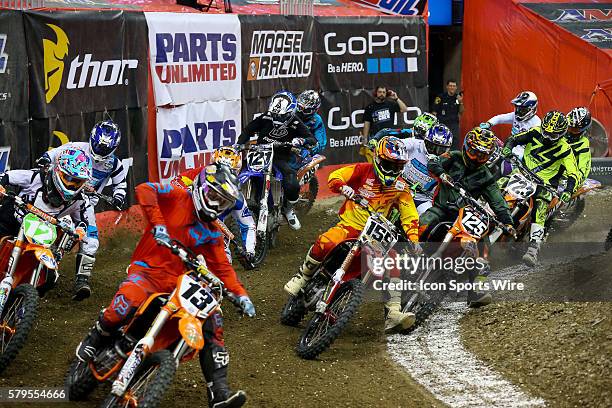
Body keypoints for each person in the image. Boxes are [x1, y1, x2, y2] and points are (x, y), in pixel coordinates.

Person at [74, 164, 249, 408]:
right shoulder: (178, 196)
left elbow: (223, 268)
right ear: (201, 188)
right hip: (148, 270)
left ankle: (218, 393)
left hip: (180, 284)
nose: (216, 206)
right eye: (213, 197)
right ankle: (97, 335)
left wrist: (241, 295)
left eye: (223, 203)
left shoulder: (213, 234)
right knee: (128, 301)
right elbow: (144, 189)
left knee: (212, 320)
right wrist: (158, 224)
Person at [284, 136, 421, 332]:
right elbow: (335, 177)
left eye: (397, 167)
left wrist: (414, 240)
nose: (392, 171)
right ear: (379, 160)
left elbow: (410, 216)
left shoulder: (401, 188)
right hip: (350, 226)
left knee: (393, 261)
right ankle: (303, 276)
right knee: (327, 241)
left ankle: (393, 312)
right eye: (389, 165)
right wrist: (344, 187)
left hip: (375, 236)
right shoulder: (363, 170)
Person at [420, 127, 515, 307]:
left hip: (465, 216)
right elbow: (434, 163)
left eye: (482, 156)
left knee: (482, 244)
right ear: (466, 146)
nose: (475, 158)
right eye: (473, 152)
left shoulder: (486, 175)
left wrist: (508, 222)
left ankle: (476, 290)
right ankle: (410, 257)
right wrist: (442, 174)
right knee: (423, 223)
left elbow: (498, 201)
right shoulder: (454, 157)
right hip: (442, 209)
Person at [37, 120, 127, 300]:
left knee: (91, 241)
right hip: (61, 198)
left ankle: (81, 281)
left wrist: (118, 197)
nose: (100, 153)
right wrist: (46, 159)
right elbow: (53, 154)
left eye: (105, 150)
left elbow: (121, 183)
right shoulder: (75, 148)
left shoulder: (114, 164)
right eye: (98, 147)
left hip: (84, 205)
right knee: (39, 224)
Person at [0, 149, 94, 297]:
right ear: (58, 170)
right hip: (10, 220)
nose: (71, 184)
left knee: (49, 278)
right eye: (68, 177)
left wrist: (80, 232)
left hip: (38, 233)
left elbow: (82, 221)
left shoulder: (79, 200)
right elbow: (6, 176)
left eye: (77, 181)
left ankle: (20, 303)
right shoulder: (37, 177)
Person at [502, 110, 580, 266]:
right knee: (498, 185)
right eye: (545, 132)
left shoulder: (565, 149)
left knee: (541, 205)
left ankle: (533, 248)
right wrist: (508, 147)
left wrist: (568, 190)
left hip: (543, 184)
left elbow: (574, 173)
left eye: (552, 136)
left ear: (561, 134)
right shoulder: (536, 131)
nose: (546, 137)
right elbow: (514, 138)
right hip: (522, 173)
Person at [236, 91, 316, 231]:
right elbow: (248, 130)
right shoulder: (266, 117)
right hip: (260, 152)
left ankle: (288, 209)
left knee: (291, 181)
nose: (277, 117)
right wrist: (239, 144)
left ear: (290, 112)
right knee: (238, 172)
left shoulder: (295, 122)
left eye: (281, 115)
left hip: (280, 155)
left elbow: (311, 139)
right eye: (275, 114)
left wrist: (301, 140)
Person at [173, 147, 257, 270]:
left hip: (214, 232)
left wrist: (250, 251)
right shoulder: (200, 173)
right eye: (218, 169)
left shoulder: (236, 197)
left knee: (223, 266)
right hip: (185, 222)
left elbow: (248, 224)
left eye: (229, 172)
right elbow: (175, 182)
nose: (222, 175)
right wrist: (187, 192)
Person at [402, 124, 453, 215]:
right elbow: (396, 144)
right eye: (431, 146)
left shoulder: (450, 161)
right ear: (425, 141)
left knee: (430, 220)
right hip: (400, 187)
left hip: (422, 198)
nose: (435, 152)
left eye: (441, 149)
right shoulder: (415, 143)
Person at [360, 86, 409, 155]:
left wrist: (396, 98)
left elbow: (404, 109)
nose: (382, 94)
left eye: (384, 92)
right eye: (380, 92)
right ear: (376, 93)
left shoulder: (390, 104)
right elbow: (367, 123)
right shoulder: (370, 107)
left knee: (390, 156)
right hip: (376, 137)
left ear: (386, 94)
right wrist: (365, 138)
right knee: (377, 157)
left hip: (389, 137)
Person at [565, 107, 592, 186]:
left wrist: (573, 183)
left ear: (583, 130)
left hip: (569, 179)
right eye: (569, 127)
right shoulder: (558, 134)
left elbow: (583, 170)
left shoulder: (584, 143)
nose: (570, 131)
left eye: (574, 130)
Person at [432, 80, 463, 146]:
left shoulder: (457, 98)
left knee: (455, 143)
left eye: (454, 86)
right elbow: (434, 111)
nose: (452, 87)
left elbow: (461, 112)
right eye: (450, 86)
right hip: (443, 124)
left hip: (454, 124)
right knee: (442, 142)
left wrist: (461, 102)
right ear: (447, 87)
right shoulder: (440, 97)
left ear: (456, 87)